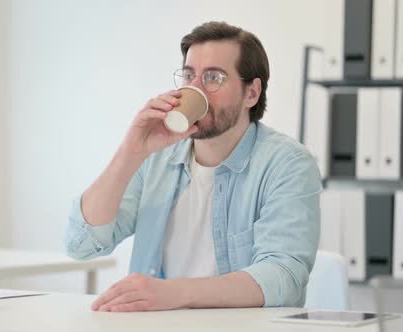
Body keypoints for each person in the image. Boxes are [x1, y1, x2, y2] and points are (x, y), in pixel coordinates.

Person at [64, 21, 322, 312]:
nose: (195, 89)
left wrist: (173, 294)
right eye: (189, 76)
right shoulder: (157, 156)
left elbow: (283, 277)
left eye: (214, 77)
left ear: (251, 93)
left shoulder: (287, 164)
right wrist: (131, 151)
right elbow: (81, 244)